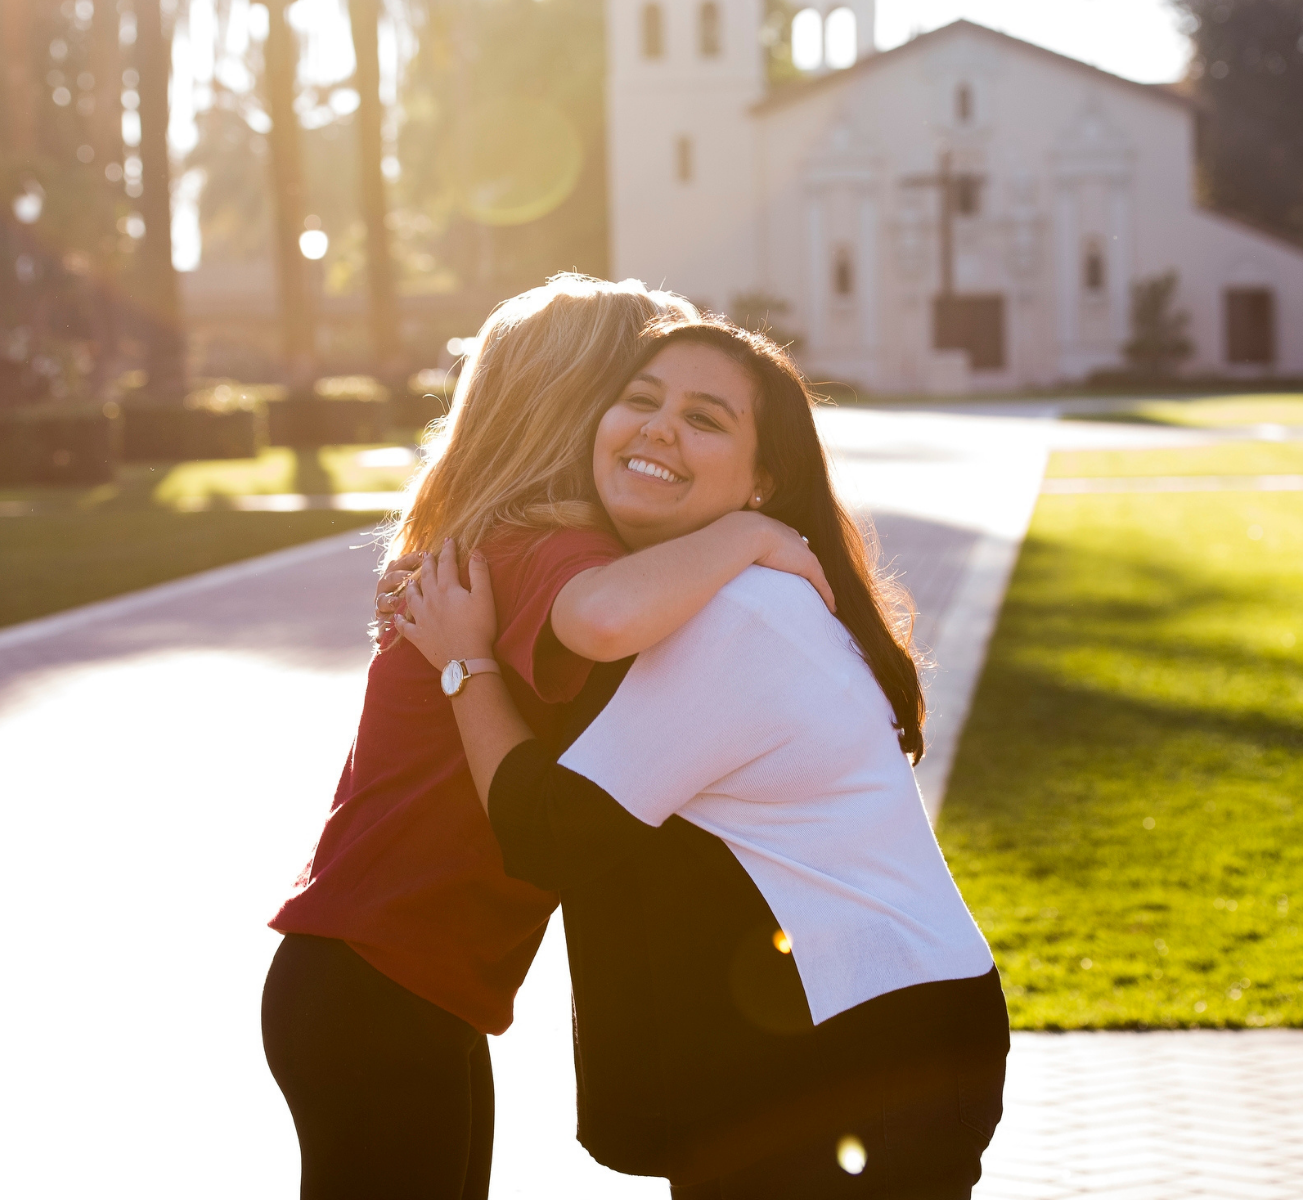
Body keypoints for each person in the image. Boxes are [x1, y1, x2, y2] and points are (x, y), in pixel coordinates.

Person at [394, 316, 1009, 1198]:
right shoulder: (706, 594)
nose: (657, 428)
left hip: (865, 1054)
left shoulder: (740, 617)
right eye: (640, 401)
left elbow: (548, 831)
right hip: (842, 1041)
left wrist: (466, 663)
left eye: (704, 419)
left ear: (763, 482)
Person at [261, 276, 838, 1200]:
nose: (650, 426)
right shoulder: (552, 552)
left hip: (384, 983)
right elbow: (609, 617)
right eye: (633, 395)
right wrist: (752, 534)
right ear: (575, 407)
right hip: (381, 987)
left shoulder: (497, 544)